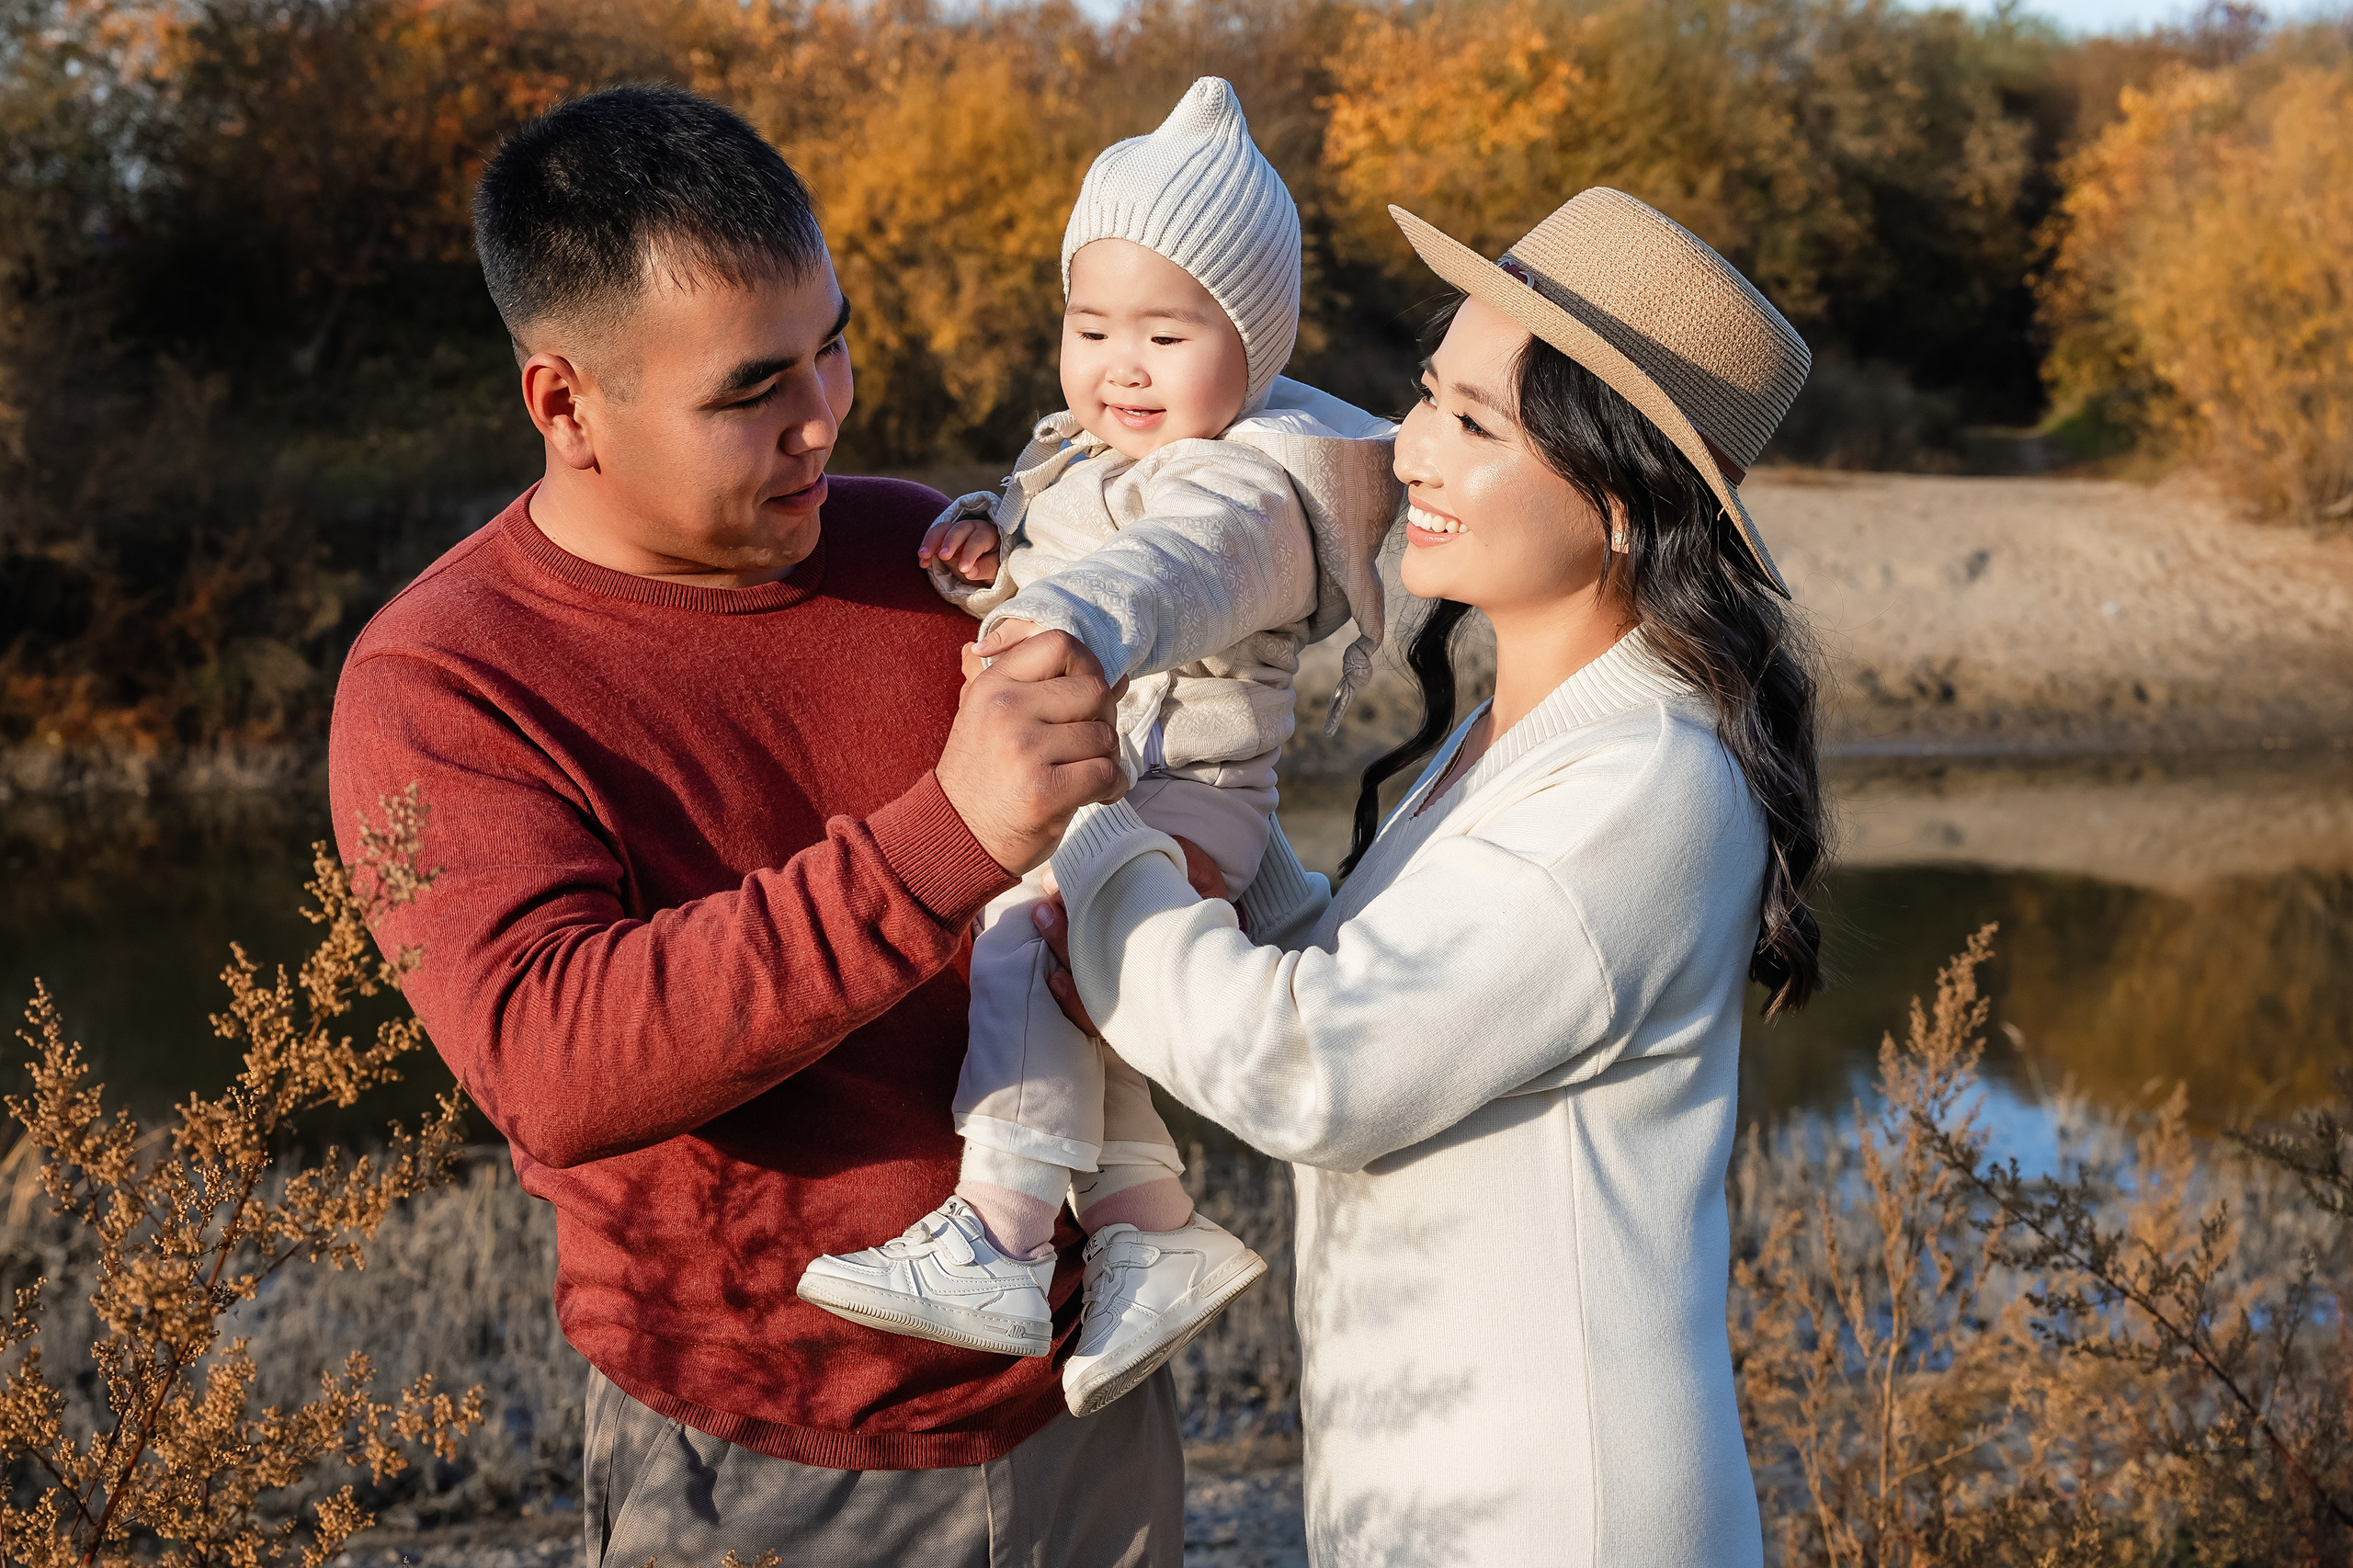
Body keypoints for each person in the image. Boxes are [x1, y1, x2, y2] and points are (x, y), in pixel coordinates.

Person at [326, 85, 1182, 1566]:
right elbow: (548, 1056)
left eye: (832, 344)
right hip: (768, 1458)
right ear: (563, 403)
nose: (820, 416)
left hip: (1092, 1414)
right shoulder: (444, 679)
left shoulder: (916, 549)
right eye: (749, 390)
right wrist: (947, 835)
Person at [1032, 187, 1829, 1564]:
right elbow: (1360, 972)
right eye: (1425, 398)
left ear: (1626, 498)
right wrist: (1202, 818)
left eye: (1475, 423)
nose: (1406, 453)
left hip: (1561, 1515)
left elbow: (1310, 1063)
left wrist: (1088, 822)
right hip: (1436, 1491)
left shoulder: (1642, 783)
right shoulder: (1527, 729)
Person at [796, 76, 1399, 1421]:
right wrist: (983, 543)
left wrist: (1071, 608)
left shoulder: (1248, 487)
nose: (1123, 363)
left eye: (1169, 333)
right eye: (1093, 325)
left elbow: (1168, 573)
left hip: (1188, 795)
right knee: (1076, 984)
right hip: (1107, 783)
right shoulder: (1076, 450)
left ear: (1252, 342)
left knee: (1035, 945)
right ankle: (1146, 1221)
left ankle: (1003, 1238)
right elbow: (1054, 538)